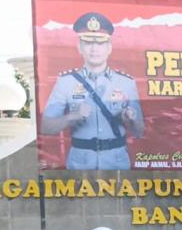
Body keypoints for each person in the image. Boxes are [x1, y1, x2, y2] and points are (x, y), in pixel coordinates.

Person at [40, 12, 144, 170]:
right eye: (88, 42)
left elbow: (139, 131)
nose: (94, 48)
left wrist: (130, 117)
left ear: (109, 48)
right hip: (80, 165)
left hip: (116, 163)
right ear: (79, 47)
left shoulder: (126, 82)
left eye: (100, 43)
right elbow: (46, 127)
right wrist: (71, 117)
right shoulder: (66, 82)